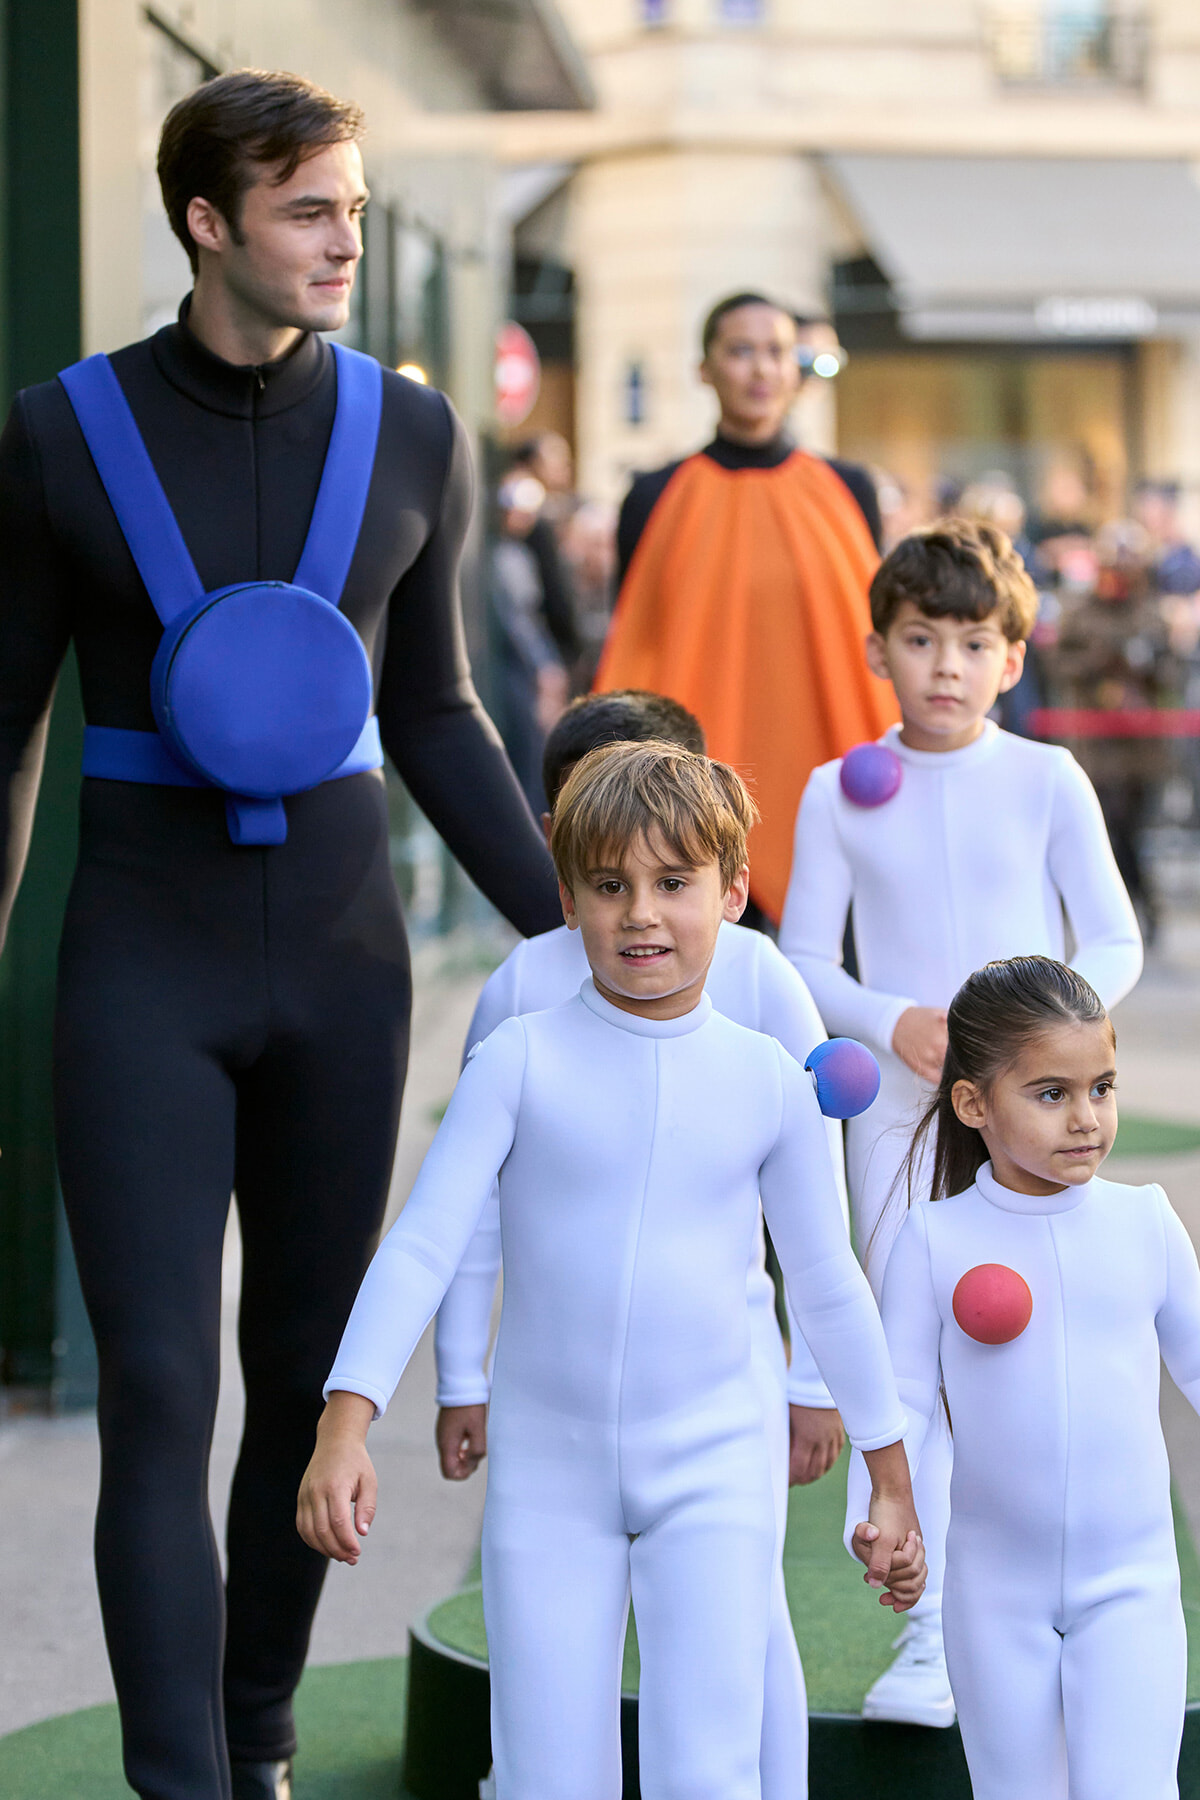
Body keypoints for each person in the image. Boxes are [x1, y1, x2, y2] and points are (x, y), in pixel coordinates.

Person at [0, 70, 560, 1800]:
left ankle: (257, 1735)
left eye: (360, 209)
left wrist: (596, 930)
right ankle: (182, 1781)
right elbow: (3, 730)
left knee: (315, 1380)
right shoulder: (52, 436)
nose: (347, 240)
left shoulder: (415, 434)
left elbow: (445, 717)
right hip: (139, 967)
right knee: (158, 1394)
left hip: (340, 970)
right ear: (208, 221)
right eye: (313, 209)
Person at [299, 740, 924, 1800]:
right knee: (544, 1776)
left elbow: (826, 1280)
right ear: (569, 897)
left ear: (732, 894)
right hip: (550, 1469)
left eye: (673, 884)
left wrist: (892, 1476)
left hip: (719, 1464)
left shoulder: (772, 1081)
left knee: (708, 1771)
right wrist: (343, 1422)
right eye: (610, 886)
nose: (641, 913)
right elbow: (422, 1242)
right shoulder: (519, 1060)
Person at [434, 689, 850, 1800]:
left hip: (725, 1382)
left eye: (673, 863)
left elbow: (818, 1210)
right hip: (562, 1401)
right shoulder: (522, 990)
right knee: (548, 1657)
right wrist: (461, 1374)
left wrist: (817, 1380)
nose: (642, 896)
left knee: (740, 1631)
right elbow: (464, 1208)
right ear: (561, 844)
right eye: (606, 852)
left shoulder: (762, 978)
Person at [779, 518, 1143, 1728]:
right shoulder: (839, 790)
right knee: (906, 1359)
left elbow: (1115, 936)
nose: (945, 663)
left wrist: (1048, 1045)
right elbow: (800, 961)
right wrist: (896, 1022)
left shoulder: (1047, 778)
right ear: (879, 648)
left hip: (1024, 1118)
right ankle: (923, 1626)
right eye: (920, 638)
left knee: (1033, 1341)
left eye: (971, 641)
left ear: (1012, 657)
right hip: (895, 1114)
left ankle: (1070, 1598)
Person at [848, 955, 1200, 1799]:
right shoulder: (933, 1240)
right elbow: (903, 1403)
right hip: (994, 1597)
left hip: (1134, 1588)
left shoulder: (1144, 1222)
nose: (1086, 1119)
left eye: (1102, 1088)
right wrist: (888, 1510)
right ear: (973, 1104)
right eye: (1051, 1093)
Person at [595, 293, 898, 926]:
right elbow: (638, 644)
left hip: (832, 777)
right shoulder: (653, 497)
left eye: (777, 352)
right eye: (740, 351)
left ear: (798, 367)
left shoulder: (850, 490)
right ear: (704, 370)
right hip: (688, 799)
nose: (761, 370)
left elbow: (874, 638)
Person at [1049, 519, 1182, 945]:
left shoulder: (1149, 613)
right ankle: (1105, 916)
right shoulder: (1080, 611)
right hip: (1095, 745)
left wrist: (1148, 667)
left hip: (1141, 745)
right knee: (1104, 830)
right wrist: (1096, 665)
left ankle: (1147, 910)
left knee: (1134, 832)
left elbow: (1172, 674)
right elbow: (1056, 664)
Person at [490, 472, 571, 814]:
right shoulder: (503, 557)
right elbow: (520, 621)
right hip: (513, 672)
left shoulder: (514, 554)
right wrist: (545, 669)